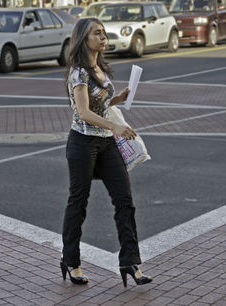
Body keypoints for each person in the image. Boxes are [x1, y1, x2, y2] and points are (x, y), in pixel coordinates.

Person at [60, 17, 153, 287]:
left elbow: (97, 104)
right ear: (83, 39)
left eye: (103, 33)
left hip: (106, 143)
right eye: (97, 34)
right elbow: (84, 112)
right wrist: (116, 125)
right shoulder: (79, 71)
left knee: (124, 200)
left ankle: (130, 262)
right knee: (78, 202)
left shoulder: (98, 67)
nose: (104, 38)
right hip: (82, 143)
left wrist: (117, 100)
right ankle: (71, 261)